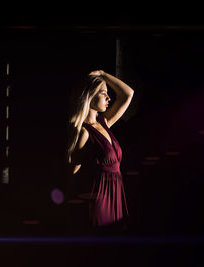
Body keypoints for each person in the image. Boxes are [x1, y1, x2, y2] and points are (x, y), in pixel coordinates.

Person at [65, 70, 134, 235]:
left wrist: (104, 74)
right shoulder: (84, 132)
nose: (109, 98)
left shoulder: (105, 123)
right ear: (90, 96)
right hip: (99, 200)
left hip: (117, 193)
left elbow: (128, 94)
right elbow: (71, 174)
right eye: (104, 94)